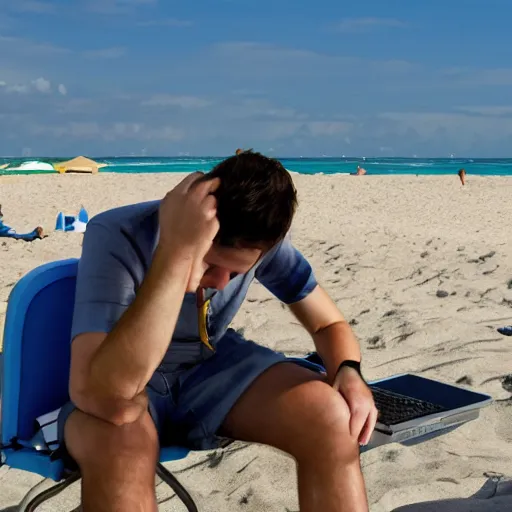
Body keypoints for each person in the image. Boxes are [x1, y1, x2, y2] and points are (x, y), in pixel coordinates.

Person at [55, 152, 377, 511]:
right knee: (122, 448)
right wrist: (175, 256)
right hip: (120, 376)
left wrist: (349, 371)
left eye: (236, 274)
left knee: (333, 418)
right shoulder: (117, 232)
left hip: (209, 367)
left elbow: (327, 322)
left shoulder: (257, 242)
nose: (220, 283)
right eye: (211, 262)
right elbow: (105, 397)